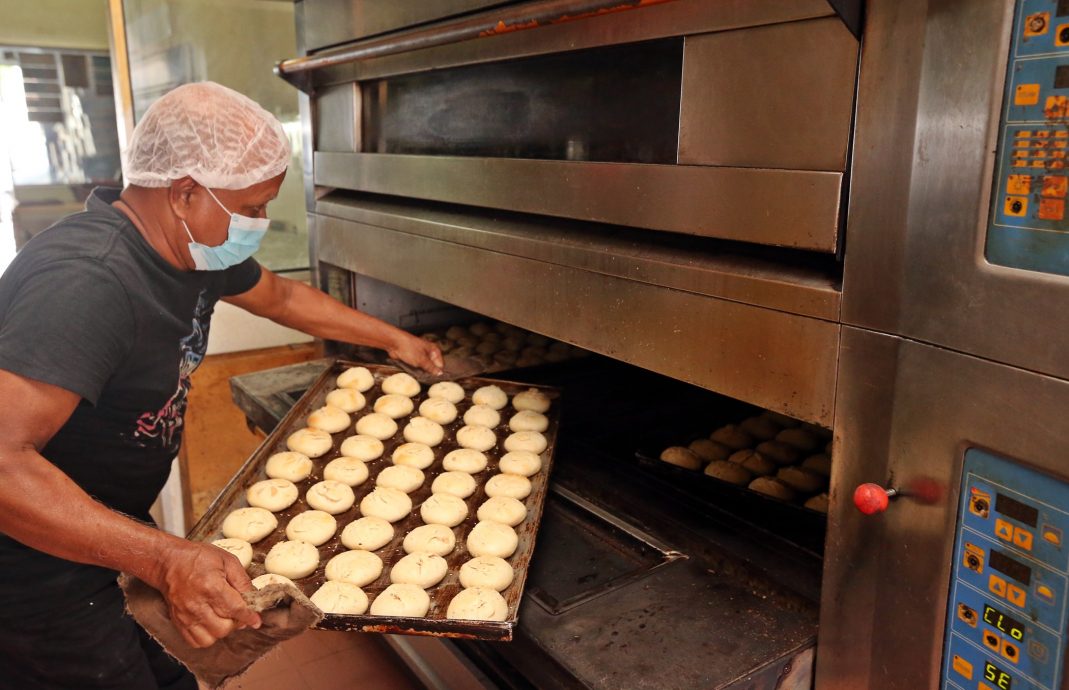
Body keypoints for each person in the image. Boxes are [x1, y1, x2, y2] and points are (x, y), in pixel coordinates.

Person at [0, 82, 443, 689]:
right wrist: (164, 556)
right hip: (26, 567)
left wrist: (393, 338)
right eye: (253, 208)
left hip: (98, 537)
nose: (259, 225)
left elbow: (283, 297)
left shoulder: (193, 248)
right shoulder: (88, 283)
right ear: (183, 192)